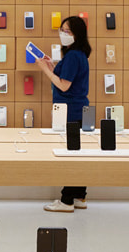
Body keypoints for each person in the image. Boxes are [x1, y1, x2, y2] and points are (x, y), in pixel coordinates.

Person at [37, 15, 91, 213]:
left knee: (70, 156)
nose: (63, 34)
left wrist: (45, 70)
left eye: (67, 31)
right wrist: (52, 67)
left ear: (77, 34)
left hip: (70, 112)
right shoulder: (79, 55)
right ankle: (79, 196)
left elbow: (63, 85)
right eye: (62, 30)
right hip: (78, 110)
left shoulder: (73, 56)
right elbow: (65, 79)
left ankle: (67, 200)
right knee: (77, 154)